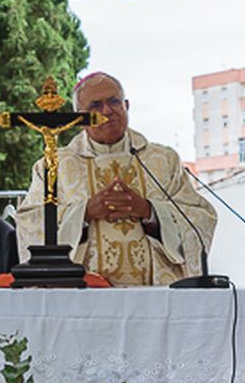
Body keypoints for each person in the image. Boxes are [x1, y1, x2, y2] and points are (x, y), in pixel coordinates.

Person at [16, 72, 216, 287]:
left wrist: (150, 211)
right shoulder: (54, 166)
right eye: (95, 105)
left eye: (114, 101)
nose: (107, 111)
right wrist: (84, 212)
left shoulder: (163, 160)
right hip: (82, 294)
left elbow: (200, 217)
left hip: (155, 294)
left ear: (126, 106)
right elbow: (30, 223)